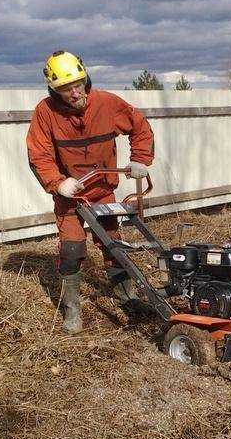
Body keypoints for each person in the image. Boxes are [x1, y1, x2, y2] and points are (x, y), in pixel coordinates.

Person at [26, 51, 154, 333]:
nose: (74, 93)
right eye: (65, 89)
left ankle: (126, 296)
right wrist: (59, 182)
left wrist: (140, 160)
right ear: (54, 90)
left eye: (78, 85)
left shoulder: (107, 104)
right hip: (69, 196)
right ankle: (72, 309)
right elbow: (39, 155)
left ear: (86, 79)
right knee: (72, 249)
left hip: (102, 190)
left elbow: (140, 128)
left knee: (113, 245)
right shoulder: (46, 112)